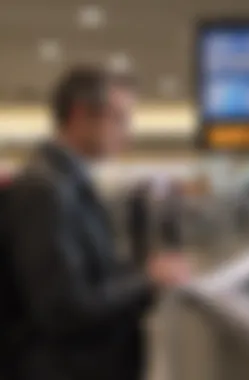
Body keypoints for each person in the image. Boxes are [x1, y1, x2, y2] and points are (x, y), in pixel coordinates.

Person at [8, 66, 190, 380]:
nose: (127, 133)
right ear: (80, 115)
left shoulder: (67, 185)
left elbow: (90, 277)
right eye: (119, 118)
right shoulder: (45, 190)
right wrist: (147, 280)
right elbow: (63, 308)